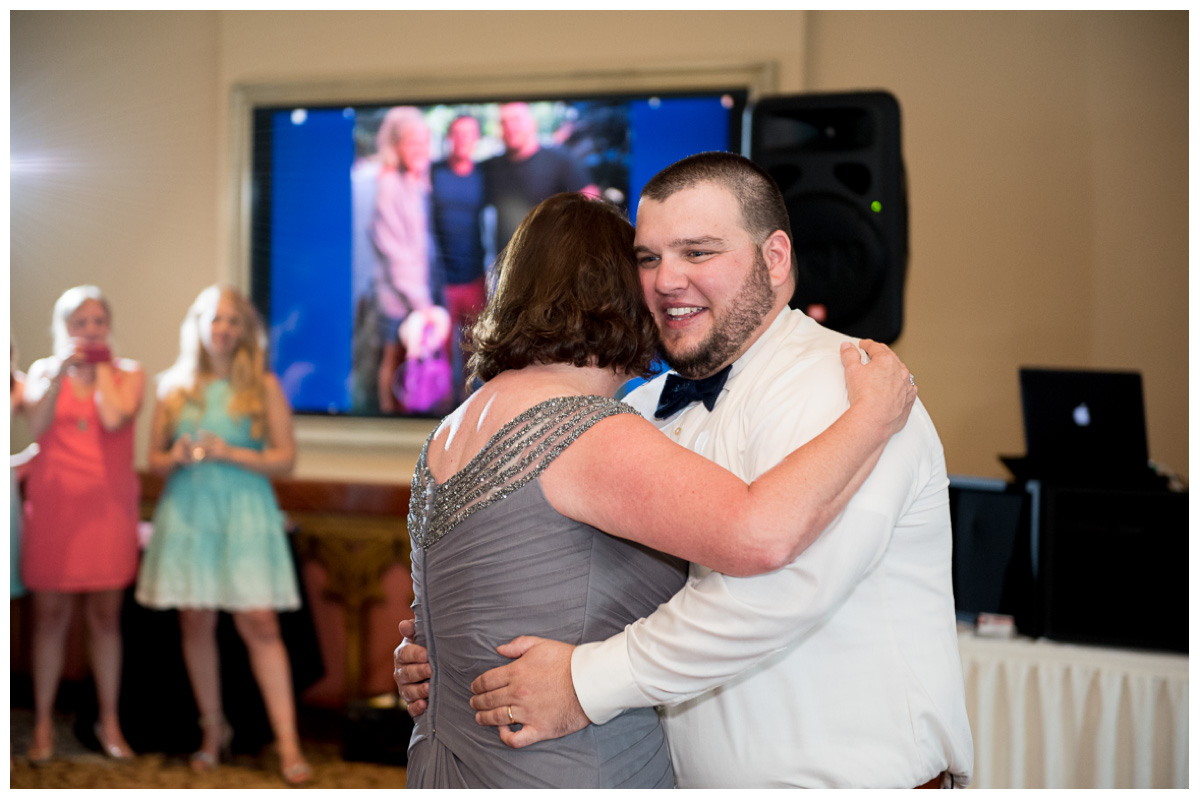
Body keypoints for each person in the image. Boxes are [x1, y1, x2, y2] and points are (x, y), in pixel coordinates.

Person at [398, 153, 974, 788]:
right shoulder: (630, 410)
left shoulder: (851, 388)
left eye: (698, 253)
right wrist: (450, 650)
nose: (668, 279)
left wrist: (583, 683)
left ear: (775, 259)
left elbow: (779, 589)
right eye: (648, 258)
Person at [134, 286, 311, 784]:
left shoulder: (263, 384)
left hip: (246, 511)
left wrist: (229, 452)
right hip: (190, 510)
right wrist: (183, 456)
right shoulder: (172, 385)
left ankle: (289, 742)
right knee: (195, 619)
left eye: (234, 321)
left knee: (260, 623)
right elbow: (154, 460)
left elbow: (286, 461)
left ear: (245, 331)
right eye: (216, 320)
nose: (225, 330)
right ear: (198, 325)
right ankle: (213, 731)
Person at [21, 285, 144, 764]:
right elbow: (35, 426)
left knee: (105, 619)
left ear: (108, 326)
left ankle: (109, 721)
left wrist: (98, 374)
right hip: (54, 511)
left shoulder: (128, 374)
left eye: (97, 322)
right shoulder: (43, 372)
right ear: (64, 328)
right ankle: (44, 724)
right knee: (49, 618)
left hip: (108, 512)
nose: (90, 331)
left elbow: (114, 419)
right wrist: (58, 376)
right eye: (80, 323)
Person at [371, 106, 443, 413]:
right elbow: (396, 253)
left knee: (412, 360)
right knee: (392, 358)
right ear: (396, 145)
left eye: (424, 141)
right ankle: (388, 420)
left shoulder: (415, 182)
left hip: (418, 291)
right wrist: (422, 302)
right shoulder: (388, 186)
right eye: (412, 142)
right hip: (398, 296)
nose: (420, 149)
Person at [483, 102, 600, 254]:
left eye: (516, 120)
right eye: (504, 122)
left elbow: (593, 204)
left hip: (551, 268)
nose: (510, 127)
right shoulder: (491, 166)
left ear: (532, 124)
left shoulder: (560, 160)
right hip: (508, 269)